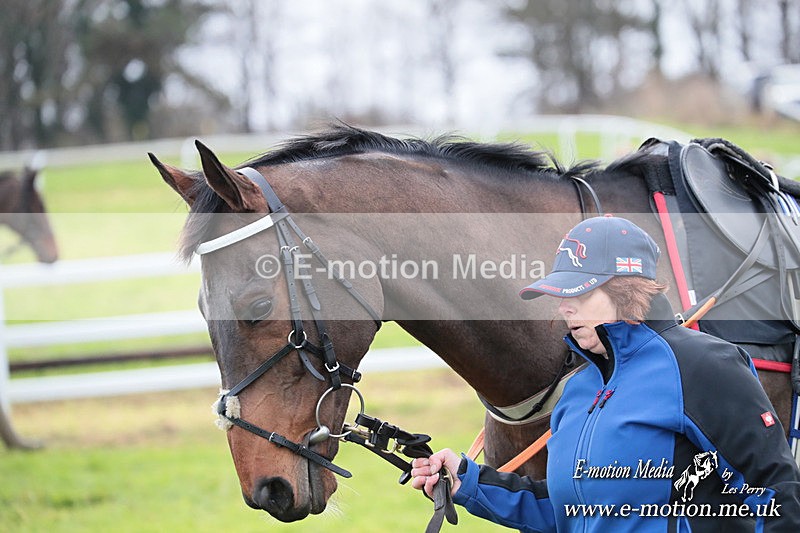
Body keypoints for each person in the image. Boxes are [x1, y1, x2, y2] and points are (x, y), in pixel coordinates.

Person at [411, 215, 800, 532]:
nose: (565, 308)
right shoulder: (579, 388)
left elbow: (777, 495)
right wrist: (467, 480)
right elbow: (569, 511)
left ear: (627, 290)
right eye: (561, 296)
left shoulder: (703, 366)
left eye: (579, 294)